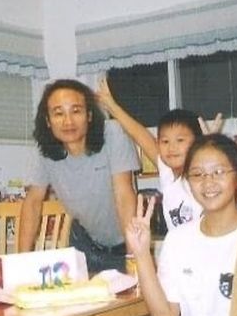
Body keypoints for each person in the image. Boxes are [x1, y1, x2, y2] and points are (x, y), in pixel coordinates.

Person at [19, 78, 139, 316]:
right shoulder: (44, 150)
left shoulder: (112, 134)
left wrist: (135, 256)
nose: (68, 120)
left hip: (121, 250)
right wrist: (21, 264)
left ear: (89, 115)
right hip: (82, 247)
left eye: (76, 110)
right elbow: (33, 202)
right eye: (58, 112)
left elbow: (124, 194)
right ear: (47, 120)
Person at [125, 134, 237, 316]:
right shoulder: (178, 240)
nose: (208, 182)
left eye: (218, 172)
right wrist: (142, 255)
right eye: (197, 174)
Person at [95, 77, 224, 230]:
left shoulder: (201, 177)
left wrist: (209, 149)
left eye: (180, 140)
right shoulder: (167, 174)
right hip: (179, 244)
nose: (172, 147)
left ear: (197, 142)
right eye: (165, 141)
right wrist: (112, 106)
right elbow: (140, 135)